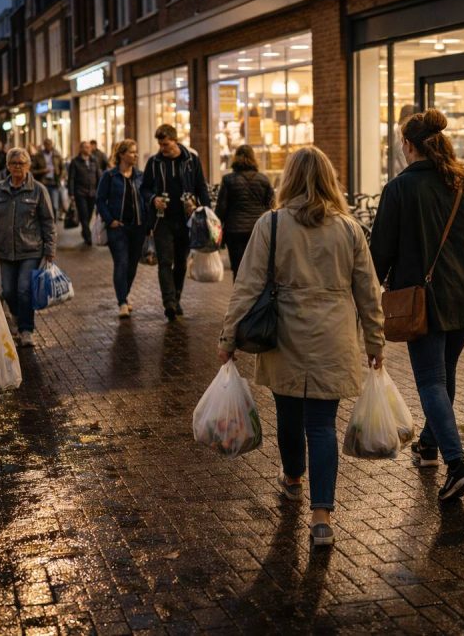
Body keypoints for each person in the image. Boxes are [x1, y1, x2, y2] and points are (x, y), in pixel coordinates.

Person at [218, 146, 385, 548]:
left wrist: (228, 338)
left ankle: (293, 477)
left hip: (284, 336)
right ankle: (322, 515)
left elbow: (248, 285)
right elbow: (368, 290)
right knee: (323, 425)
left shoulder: (271, 224)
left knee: (289, 415)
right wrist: (375, 339)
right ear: (329, 179)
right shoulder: (349, 229)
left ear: (288, 180)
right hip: (334, 335)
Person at [370, 109, 464, 503]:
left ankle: (458, 464)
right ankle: (429, 446)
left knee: (430, 381)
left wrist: (365, 300)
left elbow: (380, 253)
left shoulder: (399, 189)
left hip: (422, 302)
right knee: (442, 374)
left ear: (409, 145)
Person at [0, 147, 57, 348]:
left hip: (30, 249)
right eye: (13, 163)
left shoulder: (38, 190)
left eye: (21, 163)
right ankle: (17, 317)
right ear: (7, 166)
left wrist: (50, 249)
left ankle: (26, 330)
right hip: (5, 250)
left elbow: (48, 222)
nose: (17, 167)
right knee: (7, 291)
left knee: (24, 289)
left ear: (28, 166)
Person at [140, 124, 211, 321]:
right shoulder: (154, 163)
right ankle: (169, 303)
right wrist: (153, 199)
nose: (163, 148)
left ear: (176, 140)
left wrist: (205, 211)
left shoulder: (191, 160)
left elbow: (201, 187)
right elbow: (144, 188)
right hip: (162, 220)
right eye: (161, 145)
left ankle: (177, 297)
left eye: (166, 144)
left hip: (186, 220)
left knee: (180, 263)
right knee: (165, 261)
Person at [97, 139, 148, 318]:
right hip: (118, 228)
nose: (135, 155)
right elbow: (100, 199)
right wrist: (110, 220)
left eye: (136, 152)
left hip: (138, 227)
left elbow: (146, 198)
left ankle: (124, 295)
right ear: (121, 154)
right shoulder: (109, 176)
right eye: (132, 152)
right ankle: (122, 302)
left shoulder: (140, 176)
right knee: (121, 262)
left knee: (133, 265)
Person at [215, 144, 275, 280]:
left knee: (238, 268)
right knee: (257, 268)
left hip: (234, 230)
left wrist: (218, 229)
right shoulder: (263, 179)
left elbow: (221, 208)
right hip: (257, 229)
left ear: (235, 158)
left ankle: (239, 296)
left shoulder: (228, 180)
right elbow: (271, 206)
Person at [68, 140, 100, 246]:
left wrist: (100, 190)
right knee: (84, 214)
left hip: (92, 192)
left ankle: (84, 231)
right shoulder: (75, 161)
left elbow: (98, 175)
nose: (88, 149)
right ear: (81, 149)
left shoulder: (94, 160)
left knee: (89, 214)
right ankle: (88, 237)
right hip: (80, 192)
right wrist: (71, 194)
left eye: (89, 147)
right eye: (86, 147)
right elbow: (71, 178)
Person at [39, 138, 65, 219]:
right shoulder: (39, 156)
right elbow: (32, 170)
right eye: (46, 144)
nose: (48, 146)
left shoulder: (57, 155)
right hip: (43, 182)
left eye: (50, 144)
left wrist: (61, 177)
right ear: (44, 145)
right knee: (44, 204)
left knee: (54, 205)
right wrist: (43, 171)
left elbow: (63, 168)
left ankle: (53, 222)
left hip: (54, 182)